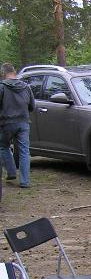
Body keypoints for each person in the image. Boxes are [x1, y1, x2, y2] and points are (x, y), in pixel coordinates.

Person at [0, 63, 35, 191]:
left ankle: (11, 172)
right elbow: (32, 106)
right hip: (23, 123)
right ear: (14, 72)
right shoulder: (26, 87)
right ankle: (25, 181)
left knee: (3, 146)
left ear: (3, 74)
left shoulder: (2, 87)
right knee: (24, 151)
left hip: (6, 123)